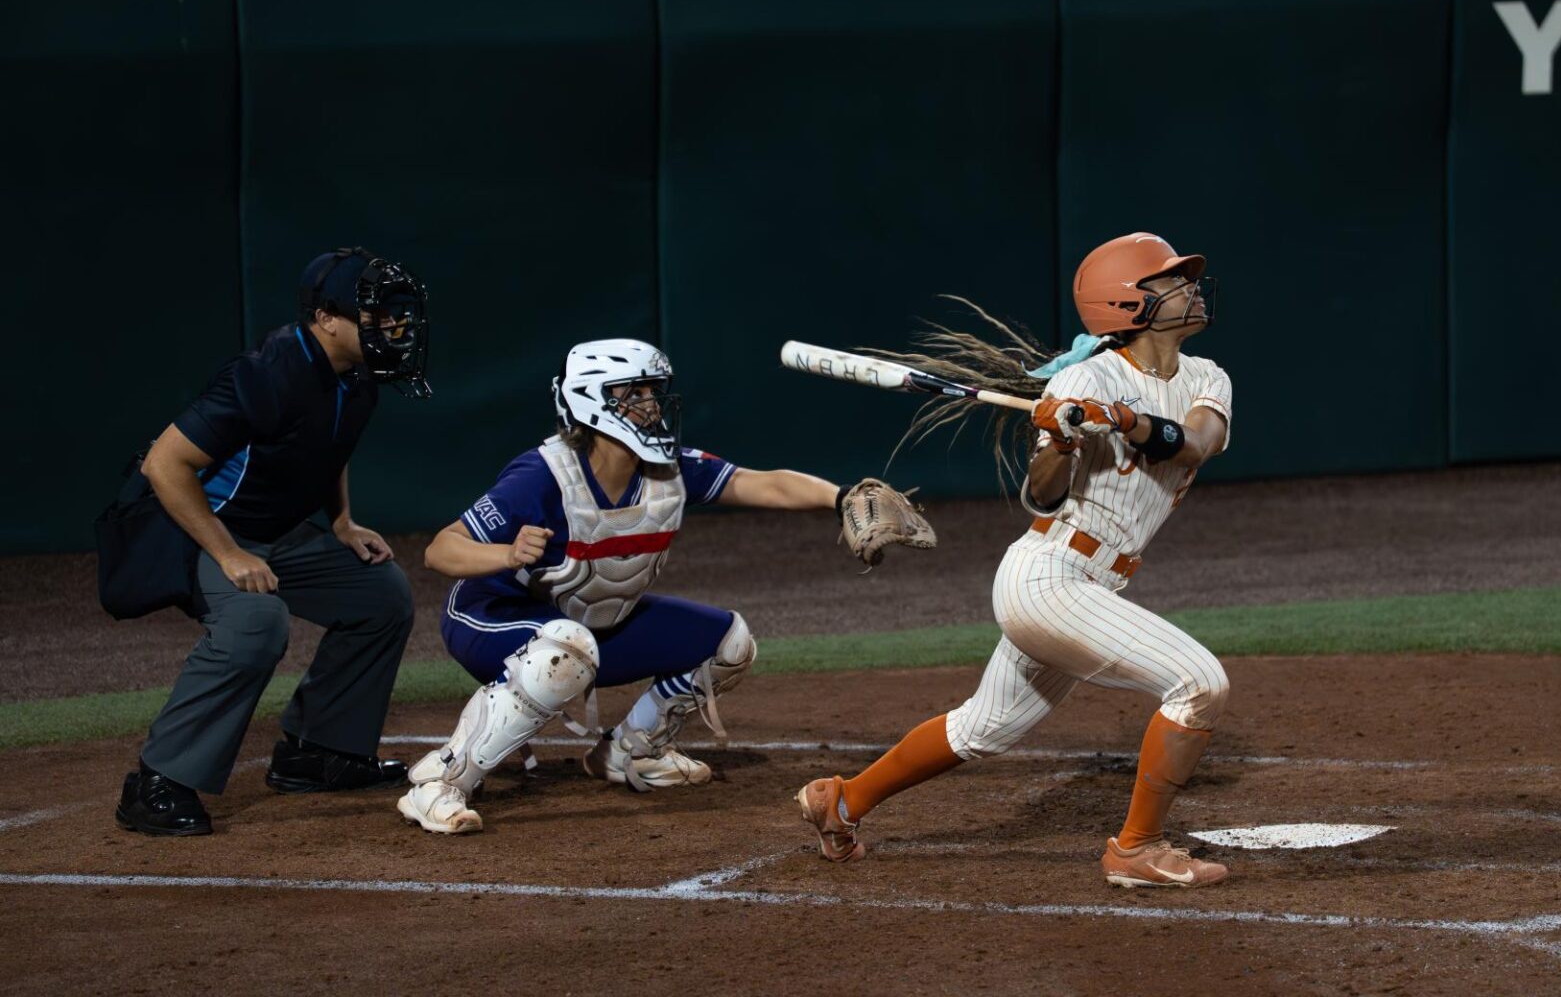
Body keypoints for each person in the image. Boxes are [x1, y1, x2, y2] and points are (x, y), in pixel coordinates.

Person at [795, 231, 1236, 889]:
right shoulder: (1082, 379)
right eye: (1170, 281)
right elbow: (1044, 491)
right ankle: (1136, 849)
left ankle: (843, 801)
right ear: (1126, 303)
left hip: (1097, 586)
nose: (1189, 288)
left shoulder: (1207, 378)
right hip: (1048, 576)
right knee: (1200, 684)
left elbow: (1194, 445)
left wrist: (1121, 420)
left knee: (985, 728)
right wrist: (1058, 436)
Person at [397, 338, 932, 834]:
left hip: (583, 626)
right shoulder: (542, 476)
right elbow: (440, 549)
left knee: (728, 643)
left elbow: (759, 481)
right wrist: (505, 554)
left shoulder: (665, 467)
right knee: (563, 648)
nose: (651, 405)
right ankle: (440, 782)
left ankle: (629, 752)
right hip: (489, 619)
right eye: (635, 394)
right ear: (590, 402)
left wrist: (838, 498)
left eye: (653, 392)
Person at [116, 247, 432, 837]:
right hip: (197, 528)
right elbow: (165, 465)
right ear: (327, 319)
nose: (395, 325)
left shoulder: (359, 376)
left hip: (277, 531)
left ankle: (318, 752)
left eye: (396, 313)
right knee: (256, 623)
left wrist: (342, 521)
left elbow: (326, 448)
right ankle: (156, 782)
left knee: (380, 595)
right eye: (378, 313)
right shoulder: (266, 374)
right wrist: (230, 554)